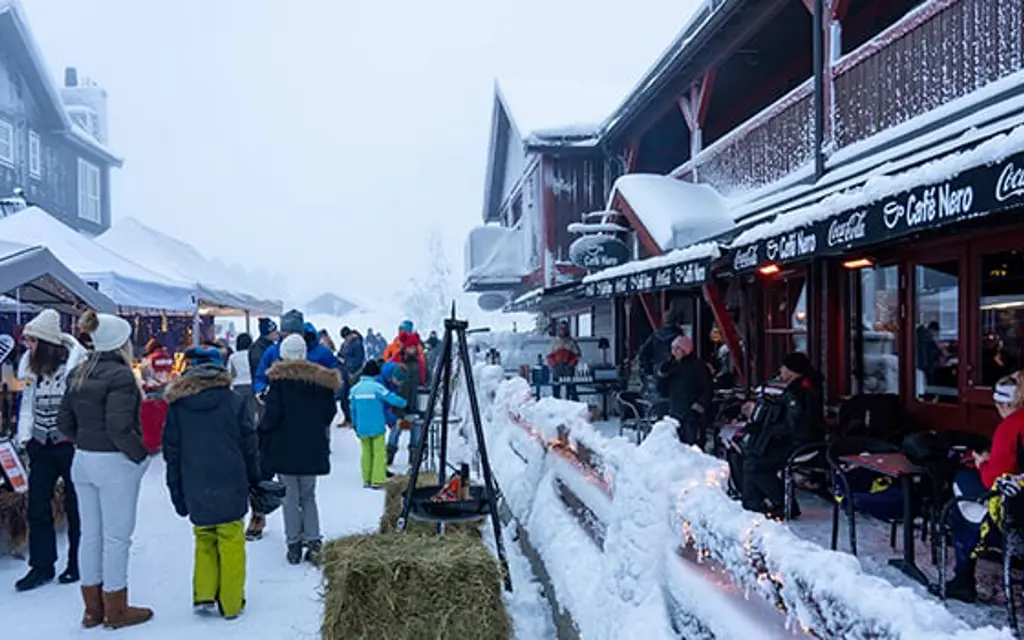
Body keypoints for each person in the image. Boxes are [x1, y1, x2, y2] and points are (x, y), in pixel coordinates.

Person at [58, 310, 152, 629]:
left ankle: (92, 609)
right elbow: (119, 427)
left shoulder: (78, 372)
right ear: (120, 343)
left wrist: (84, 441)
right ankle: (116, 608)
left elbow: (63, 422)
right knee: (116, 538)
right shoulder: (122, 376)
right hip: (113, 462)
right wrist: (141, 455)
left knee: (91, 536)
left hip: (82, 460)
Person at [162, 346, 261, 620]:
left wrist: (176, 491)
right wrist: (256, 479)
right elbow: (249, 445)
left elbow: (172, 452)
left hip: (195, 481)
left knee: (204, 536)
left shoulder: (178, 407)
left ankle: (204, 593)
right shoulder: (235, 402)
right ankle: (231, 603)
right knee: (231, 539)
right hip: (231, 479)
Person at [13, 309, 87, 592]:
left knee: (75, 505)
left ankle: (77, 562)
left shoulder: (75, 366)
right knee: (37, 506)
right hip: (40, 445)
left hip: (69, 445)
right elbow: (28, 406)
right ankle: (41, 565)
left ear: (44, 342)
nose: (27, 347)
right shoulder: (32, 369)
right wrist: (25, 439)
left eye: (32, 341)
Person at [940, 374, 1024, 602]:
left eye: (997, 404)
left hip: (1015, 522)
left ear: (1007, 403)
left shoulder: (1012, 426)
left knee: (961, 493)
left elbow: (993, 481)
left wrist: (982, 462)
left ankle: (963, 580)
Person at [258, 334, 339, 565]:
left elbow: (271, 417)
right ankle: (313, 541)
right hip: (312, 447)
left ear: (283, 354)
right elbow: (329, 414)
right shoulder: (321, 382)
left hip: (285, 448)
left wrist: (261, 432)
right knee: (309, 495)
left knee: (289, 498)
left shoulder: (279, 383)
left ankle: (294, 544)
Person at [739, 352, 821, 519]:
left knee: (758, 466)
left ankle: (786, 505)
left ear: (792, 370)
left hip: (799, 443)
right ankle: (751, 503)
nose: (780, 370)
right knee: (751, 457)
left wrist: (766, 430)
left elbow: (796, 425)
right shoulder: (795, 388)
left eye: (783, 367)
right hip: (789, 439)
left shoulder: (800, 391)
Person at [349, 360, 407, 488]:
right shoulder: (377, 387)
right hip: (377, 427)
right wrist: (404, 403)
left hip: (362, 427)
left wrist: (355, 425)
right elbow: (391, 398)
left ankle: (367, 479)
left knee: (366, 453)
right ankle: (377, 480)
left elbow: (352, 410)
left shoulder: (354, 390)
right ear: (375, 374)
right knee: (379, 453)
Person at [656, 334, 713, 446]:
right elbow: (661, 390)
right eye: (673, 349)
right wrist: (662, 375)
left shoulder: (697, 366)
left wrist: (700, 405)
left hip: (692, 414)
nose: (674, 352)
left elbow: (708, 388)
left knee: (692, 444)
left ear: (685, 350)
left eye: (677, 349)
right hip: (674, 412)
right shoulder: (671, 366)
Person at [337, 327, 365, 427]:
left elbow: (359, 360)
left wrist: (347, 362)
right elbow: (340, 355)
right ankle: (347, 418)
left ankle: (355, 420)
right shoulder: (344, 344)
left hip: (354, 375)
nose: (346, 339)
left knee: (353, 399)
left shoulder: (357, 344)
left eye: (346, 337)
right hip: (344, 374)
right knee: (343, 397)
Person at [547, 320, 581, 401]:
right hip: (557, 367)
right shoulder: (554, 342)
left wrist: (572, 363)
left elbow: (577, 355)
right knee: (556, 386)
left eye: (564, 328)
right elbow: (549, 356)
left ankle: (573, 403)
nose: (563, 330)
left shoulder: (572, 342)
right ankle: (556, 403)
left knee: (571, 387)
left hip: (568, 367)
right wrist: (553, 364)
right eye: (561, 328)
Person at [229, 333, 257, 423]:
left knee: (238, 413)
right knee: (251, 413)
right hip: (251, 385)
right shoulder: (252, 354)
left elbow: (229, 373)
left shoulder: (233, 357)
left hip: (238, 387)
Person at [248, 318, 278, 390]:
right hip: (263, 388)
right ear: (268, 333)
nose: (277, 333)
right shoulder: (257, 349)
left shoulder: (270, 345)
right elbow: (258, 371)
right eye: (274, 331)